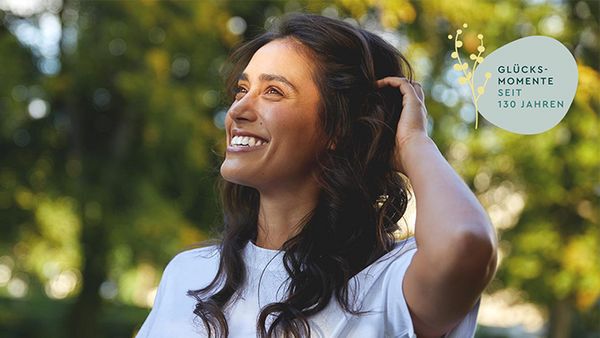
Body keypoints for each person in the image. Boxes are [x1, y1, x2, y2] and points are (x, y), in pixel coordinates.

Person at [136, 12, 497, 338]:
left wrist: (413, 141)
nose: (238, 109)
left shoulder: (389, 285)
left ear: (337, 130)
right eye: (242, 90)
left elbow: (465, 243)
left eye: (273, 92)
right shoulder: (189, 275)